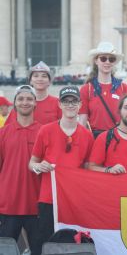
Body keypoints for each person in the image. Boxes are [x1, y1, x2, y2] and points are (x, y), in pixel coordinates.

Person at [29, 86, 94, 248]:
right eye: (66, 101)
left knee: (72, 241)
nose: (70, 105)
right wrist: (39, 166)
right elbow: (31, 163)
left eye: (74, 101)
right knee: (46, 241)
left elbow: (88, 169)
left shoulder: (87, 135)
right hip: (48, 198)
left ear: (80, 105)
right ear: (59, 104)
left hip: (74, 199)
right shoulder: (46, 131)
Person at [0, 85, 41, 255]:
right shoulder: (3, 133)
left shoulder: (45, 132)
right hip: (9, 205)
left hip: (37, 206)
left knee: (40, 251)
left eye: (29, 99)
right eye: (21, 99)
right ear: (15, 103)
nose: (25, 102)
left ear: (35, 103)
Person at [79, 41, 127, 138]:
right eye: (103, 58)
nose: (107, 62)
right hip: (95, 139)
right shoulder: (87, 89)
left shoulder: (124, 87)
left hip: (118, 138)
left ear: (114, 62)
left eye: (111, 59)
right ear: (96, 61)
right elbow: (82, 121)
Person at [5, 61, 62, 126]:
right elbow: (8, 130)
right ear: (30, 81)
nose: (40, 79)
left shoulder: (58, 104)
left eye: (44, 76)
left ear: (49, 81)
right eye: (36, 76)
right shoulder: (22, 104)